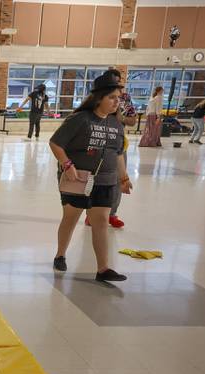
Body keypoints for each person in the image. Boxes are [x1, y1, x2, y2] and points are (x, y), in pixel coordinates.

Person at [50, 74, 132, 283]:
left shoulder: (116, 124)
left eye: (119, 98)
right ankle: (60, 254)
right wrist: (67, 165)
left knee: (102, 222)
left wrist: (123, 178)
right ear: (99, 98)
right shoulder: (80, 119)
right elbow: (56, 143)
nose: (117, 102)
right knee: (71, 218)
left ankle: (103, 269)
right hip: (78, 180)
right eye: (112, 97)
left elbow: (118, 153)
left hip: (106, 181)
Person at [86, 69, 137, 229]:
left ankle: (112, 214)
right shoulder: (96, 98)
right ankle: (91, 214)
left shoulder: (126, 99)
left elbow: (133, 121)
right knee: (94, 179)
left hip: (118, 145)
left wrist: (120, 118)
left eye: (118, 82)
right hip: (97, 141)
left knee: (116, 181)